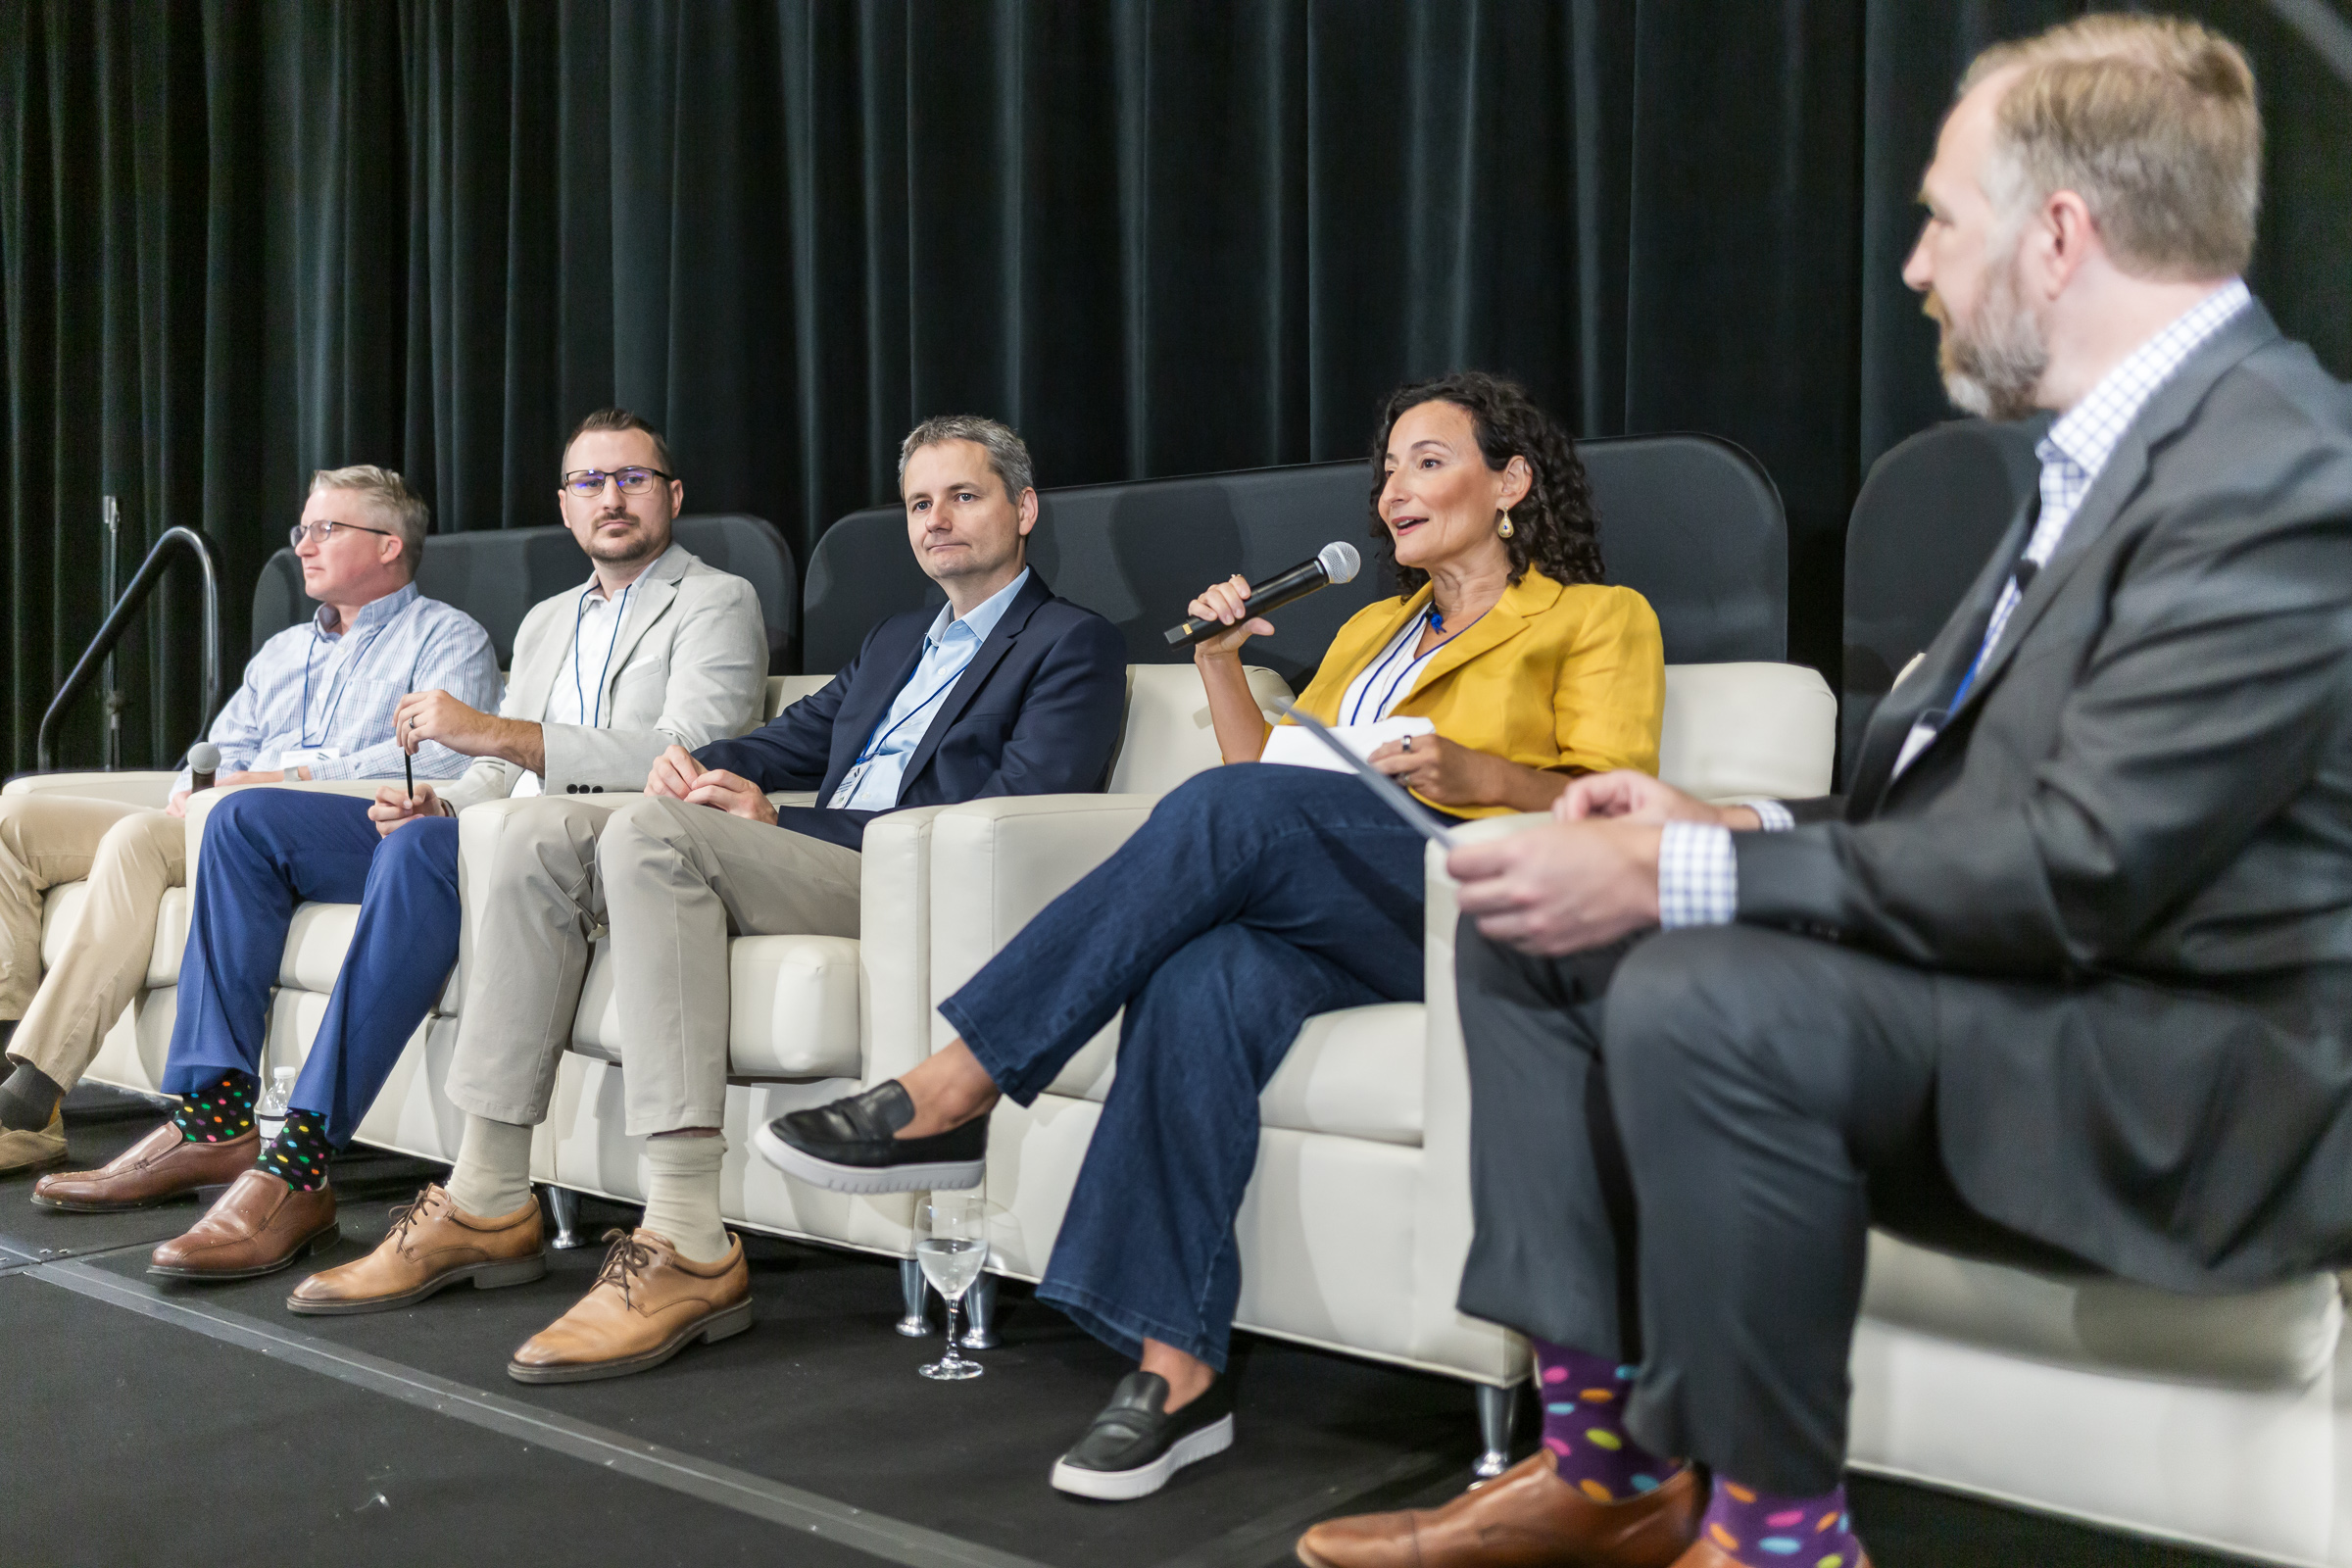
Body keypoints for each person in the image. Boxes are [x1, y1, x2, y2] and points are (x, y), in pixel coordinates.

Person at [1294, 18, 2352, 1568]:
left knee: (1704, 993)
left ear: (2061, 236)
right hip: (2028, 994)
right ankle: (1605, 1467)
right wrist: (1728, 827)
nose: (1916, 269)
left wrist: (1684, 883)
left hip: (2183, 1083)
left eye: (1939, 218)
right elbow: (1972, 817)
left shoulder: (2274, 469)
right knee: (1524, 925)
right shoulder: (2105, 463)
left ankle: (1779, 1536)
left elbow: (2085, 870)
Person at [770, 373, 1667, 1499]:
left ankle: (958, 1084)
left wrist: (1477, 771)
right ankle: (1176, 1370)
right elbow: (1258, 795)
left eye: (1428, 461)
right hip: (1339, 885)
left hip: (1469, 891)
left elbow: (1616, 806)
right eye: (1386, 467)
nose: (1395, 488)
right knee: (1198, 975)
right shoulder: (1375, 627)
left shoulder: (1595, 616)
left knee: (1213, 829)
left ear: (1513, 481)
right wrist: (1219, 660)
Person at [284, 414, 1128, 1385]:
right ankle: (485, 1192)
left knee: (654, 833)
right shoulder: (899, 640)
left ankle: (686, 1234)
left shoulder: (1071, 643)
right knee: (522, 827)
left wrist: (774, 823)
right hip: (817, 854)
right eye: (919, 503)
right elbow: (790, 740)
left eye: (964, 495)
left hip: (906, 877)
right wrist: (688, 766)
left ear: (1022, 508)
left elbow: (1010, 814)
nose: (937, 520)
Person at [32, 408, 769, 1286]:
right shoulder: (544, 623)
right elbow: (492, 779)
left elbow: (692, 756)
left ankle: (297, 1166)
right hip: (494, 827)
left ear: (673, 495)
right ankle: (215, 1114)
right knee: (243, 819)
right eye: (588, 482)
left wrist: (497, 739)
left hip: (607, 849)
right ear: (564, 506)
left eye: (632, 479)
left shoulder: (717, 600)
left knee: (423, 856)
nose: (610, 498)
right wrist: (436, 798)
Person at [0, 466, 498, 1178]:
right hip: (217, 815)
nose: (303, 545)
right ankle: (9, 1055)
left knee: (139, 839)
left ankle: (34, 1096)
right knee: (12, 816)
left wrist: (280, 778)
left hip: (318, 826)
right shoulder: (284, 650)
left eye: (326, 528)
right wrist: (190, 788)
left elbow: (446, 762)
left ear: (389, 545)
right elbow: (222, 745)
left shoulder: (448, 638)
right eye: (302, 529)